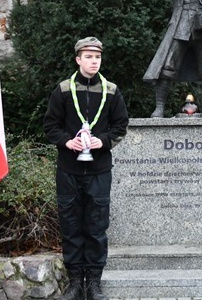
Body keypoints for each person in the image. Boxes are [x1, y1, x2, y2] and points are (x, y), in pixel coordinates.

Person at [43, 37, 129, 300]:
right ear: (78, 59)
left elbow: (120, 127)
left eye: (97, 57)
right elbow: (50, 125)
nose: (94, 61)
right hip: (68, 170)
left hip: (99, 170)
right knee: (70, 224)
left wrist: (101, 141)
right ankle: (74, 282)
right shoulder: (63, 90)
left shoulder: (111, 90)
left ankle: (93, 282)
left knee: (95, 226)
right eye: (89, 57)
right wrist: (66, 141)